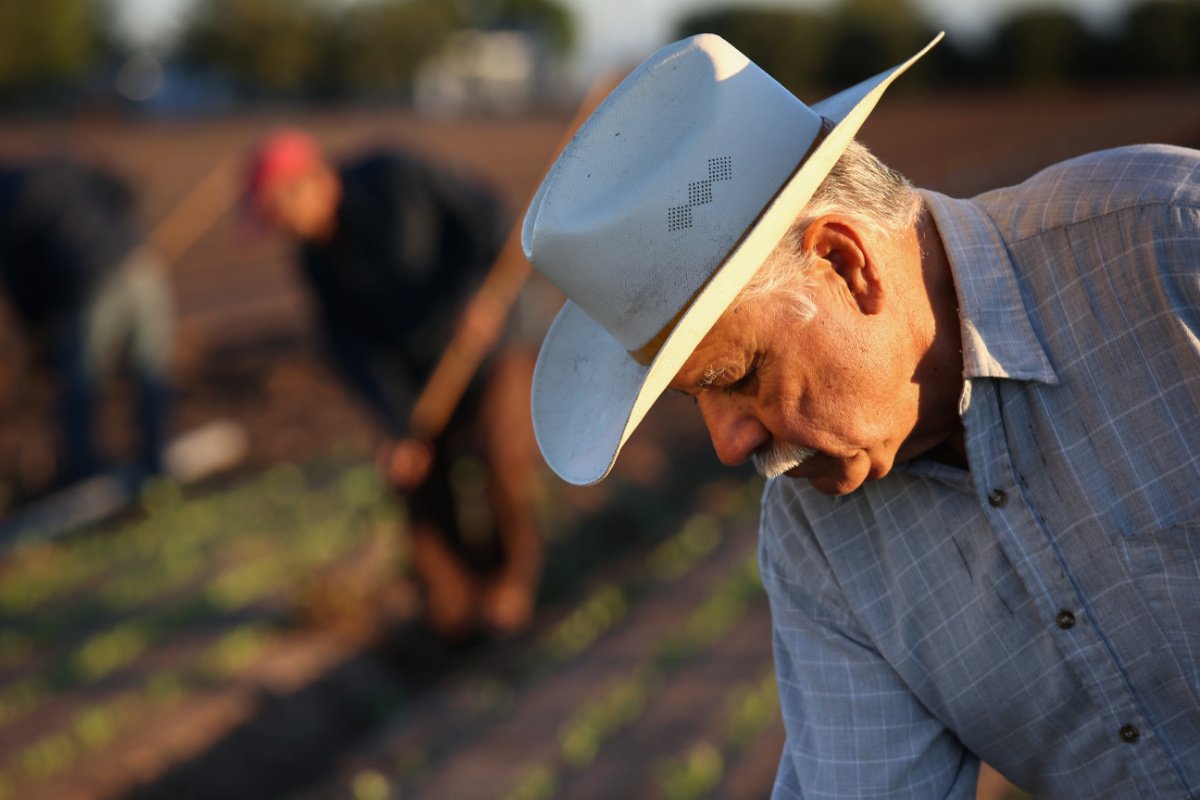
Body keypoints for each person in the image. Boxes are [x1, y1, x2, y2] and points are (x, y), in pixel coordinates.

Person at [521, 32, 1200, 799]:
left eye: (740, 376)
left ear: (847, 263)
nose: (726, 442)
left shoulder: (1174, 252)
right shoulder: (820, 544)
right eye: (695, 399)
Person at [244, 130, 543, 640]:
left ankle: (508, 585)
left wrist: (480, 297)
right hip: (417, 376)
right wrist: (395, 422)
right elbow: (348, 349)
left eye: (276, 213)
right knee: (415, 477)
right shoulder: (315, 261)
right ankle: (452, 607)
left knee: (499, 457)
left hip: (486, 344)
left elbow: (489, 214)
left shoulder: (396, 176)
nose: (279, 229)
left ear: (309, 184)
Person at [0, 158, 173, 489]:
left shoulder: (6, 208)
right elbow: (122, 188)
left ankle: (83, 473)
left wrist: (36, 330)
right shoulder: (59, 167)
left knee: (81, 382)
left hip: (92, 284)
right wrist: (133, 236)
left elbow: (20, 279)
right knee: (150, 373)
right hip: (142, 265)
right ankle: (156, 463)